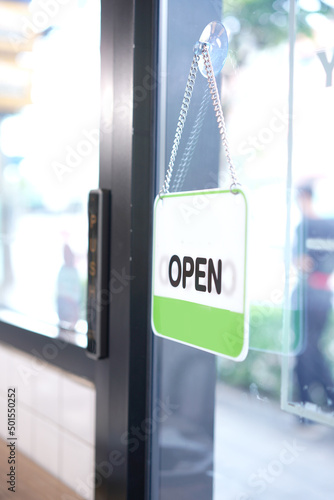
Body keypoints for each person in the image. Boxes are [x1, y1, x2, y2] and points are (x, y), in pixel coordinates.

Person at [292, 183, 334, 412]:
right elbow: (298, 259)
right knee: (307, 349)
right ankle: (314, 401)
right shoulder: (314, 226)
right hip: (314, 295)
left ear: (305, 197)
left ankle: (310, 403)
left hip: (313, 296)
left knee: (306, 349)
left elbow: (304, 262)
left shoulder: (312, 226)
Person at [56, 244, 82, 329]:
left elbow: (77, 290)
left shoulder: (74, 271)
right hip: (63, 303)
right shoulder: (62, 270)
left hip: (72, 304)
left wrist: (72, 301)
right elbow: (60, 288)